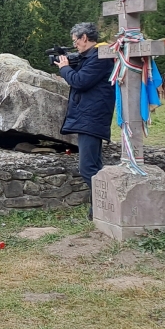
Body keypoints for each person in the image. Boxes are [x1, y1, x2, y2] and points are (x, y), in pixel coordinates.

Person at [55, 22, 116, 219]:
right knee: (94, 167)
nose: (76, 45)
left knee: (87, 167)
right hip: (89, 117)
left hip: (92, 118)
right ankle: (99, 210)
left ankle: (111, 204)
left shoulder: (100, 57)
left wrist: (65, 68)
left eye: (76, 41)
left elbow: (80, 81)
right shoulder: (92, 56)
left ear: (84, 38)